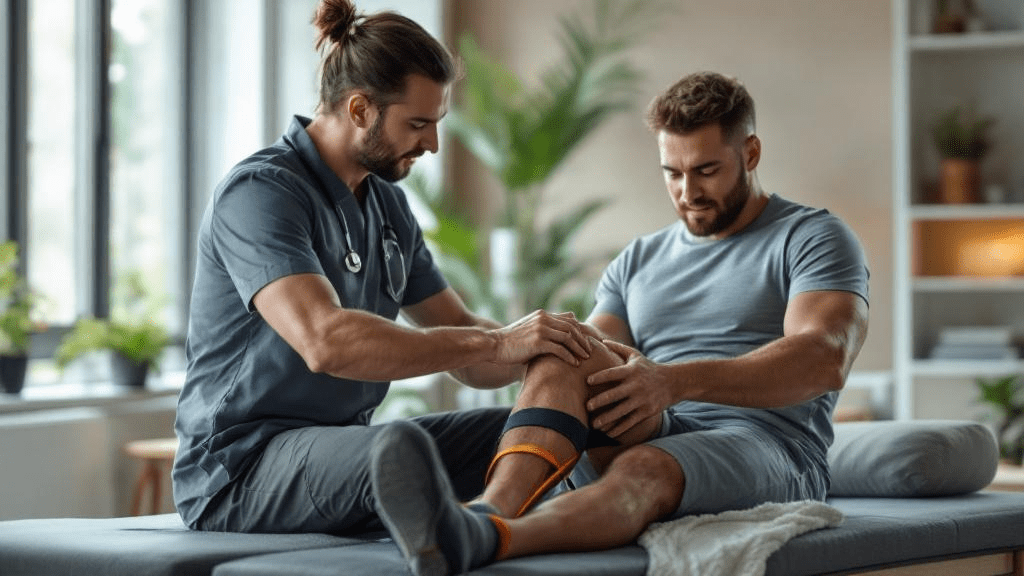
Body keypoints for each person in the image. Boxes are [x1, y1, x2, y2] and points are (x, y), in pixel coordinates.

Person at [369, 71, 870, 576]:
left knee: (645, 465)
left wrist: (672, 381)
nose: (687, 192)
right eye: (672, 173)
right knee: (563, 344)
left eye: (707, 170)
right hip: (659, 420)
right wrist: (552, 346)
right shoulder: (639, 259)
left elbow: (822, 359)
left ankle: (492, 539)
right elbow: (594, 349)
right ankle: (486, 511)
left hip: (767, 442)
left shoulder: (811, 237)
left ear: (752, 153)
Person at [171, 0, 595, 535]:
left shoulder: (387, 206)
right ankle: (465, 537)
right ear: (359, 110)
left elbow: (465, 342)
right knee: (401, 447)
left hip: (343, 453)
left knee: (524, 435)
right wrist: (496, 343)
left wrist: (562, 348)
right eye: (418, 124)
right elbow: (327, 342)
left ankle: (487, 528)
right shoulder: (261, 192)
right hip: (240, 469)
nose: (433, 144)